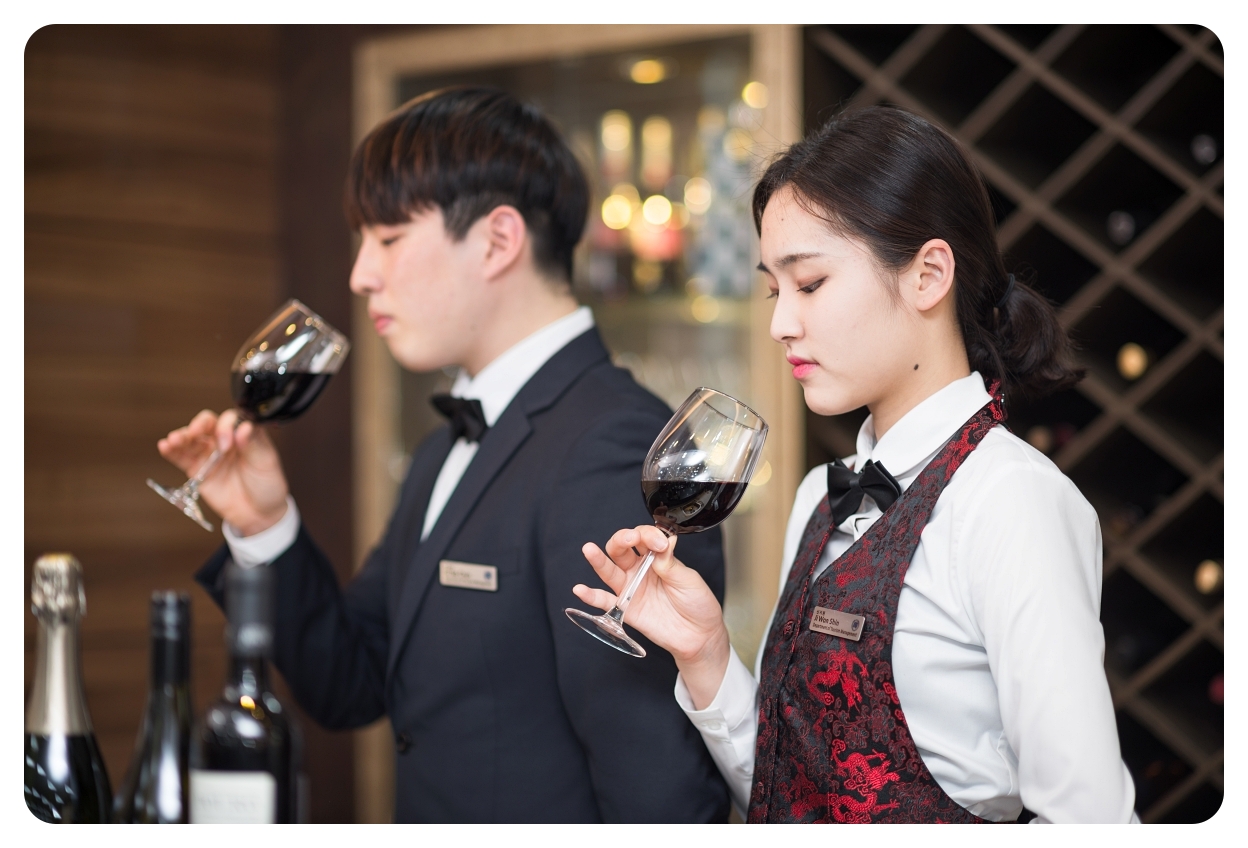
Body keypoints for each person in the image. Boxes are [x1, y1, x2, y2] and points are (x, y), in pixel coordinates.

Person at [156, 87, 729, 823]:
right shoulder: (442, 449)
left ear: (497, 241)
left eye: (389, 238)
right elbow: (348, 683)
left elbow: (655, 788)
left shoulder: (613, 445)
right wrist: (265, 526)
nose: (361, 274)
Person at [573, 106, 1139, 823]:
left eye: (809, 283)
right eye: (774, 290)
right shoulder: (821, 495)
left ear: (928, 275)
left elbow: (1091, 820)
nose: (780, 324)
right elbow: (787, 792)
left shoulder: (1009, 500)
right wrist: (706, 654)